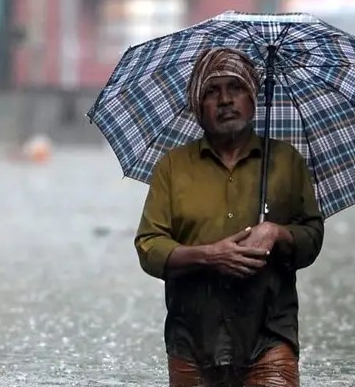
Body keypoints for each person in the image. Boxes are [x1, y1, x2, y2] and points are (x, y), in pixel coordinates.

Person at [134, 47, 324, 387]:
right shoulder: (173, 167)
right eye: (211, 91)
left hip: (269, 333)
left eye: (235, 88)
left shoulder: (285, 162)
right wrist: (209, 256)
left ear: (252, 99)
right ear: (197, 107)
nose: (225, 100)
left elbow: (311, 237)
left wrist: (277, 233)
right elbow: (149, 246)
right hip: (192, 337)